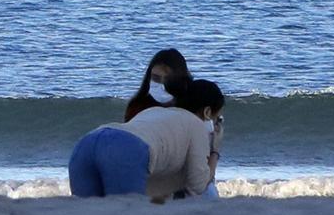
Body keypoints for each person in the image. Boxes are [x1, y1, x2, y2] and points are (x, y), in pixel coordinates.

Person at [69, 78, 224, 201]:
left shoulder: (154, 112)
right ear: (207, 112)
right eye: (217, 118)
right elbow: (198, 185)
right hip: (125, 150)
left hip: (86, 144)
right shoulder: (196, 125)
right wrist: (215, 150)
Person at [124, 48, 191, 122]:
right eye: (156, 78)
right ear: (149, 77)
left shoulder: (192, 107)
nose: (162, 84)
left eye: (168, 79)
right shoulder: (137, 107)